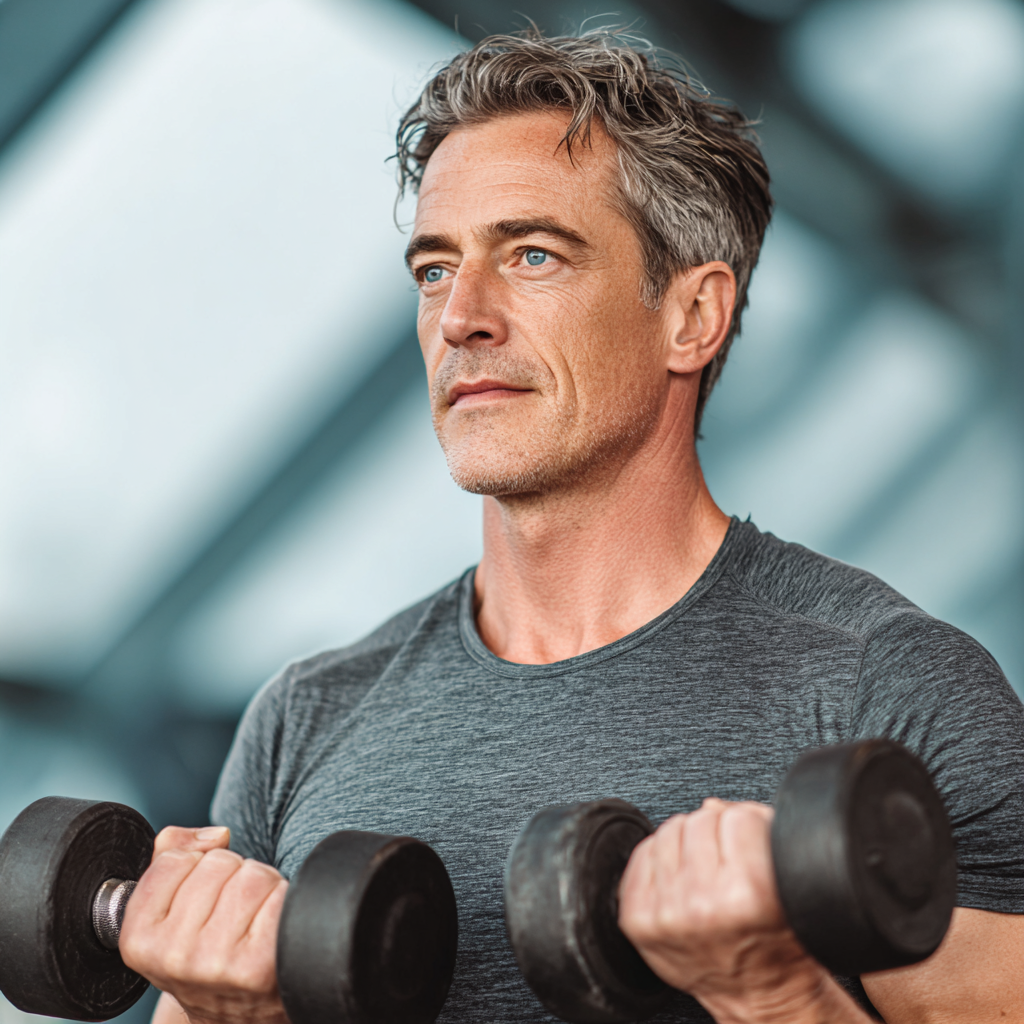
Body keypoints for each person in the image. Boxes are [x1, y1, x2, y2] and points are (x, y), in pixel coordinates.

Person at [119, 30, 1024, 1024]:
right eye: (433, 269)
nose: (460, 315)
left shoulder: (885, 691)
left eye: (532, 254)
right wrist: (226, 1013)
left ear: (692, 316)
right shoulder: (306, 717)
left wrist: (768, 990)